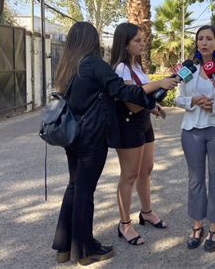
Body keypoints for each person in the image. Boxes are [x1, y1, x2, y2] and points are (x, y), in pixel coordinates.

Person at [51, 22, 175, 265]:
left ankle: (64, 246)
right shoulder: (93, 64)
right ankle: (85, 249)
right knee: (84, 192)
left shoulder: (68, 67)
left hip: (72, 136)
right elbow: (122, 91)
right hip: (91, 138)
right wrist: (159, 85)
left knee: (74, 188)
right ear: (91, 40)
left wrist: (149, 103)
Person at [110, 22, 177, 245]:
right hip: (129, 125)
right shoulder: (120, 68)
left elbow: (141, 100)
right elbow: (130, 101)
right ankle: (124, 223)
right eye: (137, 40)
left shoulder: (136, 67)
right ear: (125, 44)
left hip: (143, 123)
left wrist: (152, 106)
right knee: (129, 175)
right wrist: (159, 83)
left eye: (142, 39)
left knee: (146, 170)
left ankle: (146, 212)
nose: (142, 43)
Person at [175, 25, 215, 252]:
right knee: (195, 179)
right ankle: (196, 225)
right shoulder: (188, 69)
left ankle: (214, 227)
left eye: (209, 39)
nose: (204, 43)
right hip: (191, 130)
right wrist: (193, 101)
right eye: (200, 39)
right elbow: (177, 97)